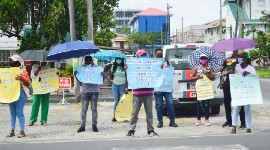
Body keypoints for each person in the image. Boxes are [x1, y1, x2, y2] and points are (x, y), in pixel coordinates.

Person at [126, 50, 159, 136]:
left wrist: (161, 67)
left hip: (148, 92)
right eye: (142, 55)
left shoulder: (151, 65)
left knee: (148, 113)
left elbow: (158, 71)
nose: (143, 57)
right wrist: (127, 67)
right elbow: (128, 72)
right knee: (135, 112)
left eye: (144, 55)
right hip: (138, 92)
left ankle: (150, 130)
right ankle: (131, 130)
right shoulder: (133, 65)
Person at [75, 56, 105, 133]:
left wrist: (103, 75)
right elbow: (79, 79)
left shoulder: (97, 68)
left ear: (91, 60)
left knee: (94, 109)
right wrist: (76, 75)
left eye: (88, 60)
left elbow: (101, 79)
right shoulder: (82, 68)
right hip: (85, 91)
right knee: (84, 109)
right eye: (86, 61)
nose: (87, 62)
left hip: (94, 91)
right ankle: (82, 126)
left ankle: (94, 126)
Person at [218, 51, 246, 128]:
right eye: (234, 50)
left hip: (238, 83)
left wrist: (229, 71)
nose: (235, 51)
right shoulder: (228, 60)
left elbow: (243, 69)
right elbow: (222, 68)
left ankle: (243, 122)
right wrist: (216, 71)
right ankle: (228, 121)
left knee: (239, 103)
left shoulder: (242, 59)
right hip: (227, 83)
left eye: (236, 50)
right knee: (227, 102)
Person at [4, 55, 30, 138]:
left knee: (19, 112)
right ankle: (12, 131)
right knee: (12, 113)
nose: (11, 62)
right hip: (11, 93)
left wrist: (21, 79)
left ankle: (22, 131)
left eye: (13, 61)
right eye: (10, 61)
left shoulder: (23, 71)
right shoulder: (9, 71)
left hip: (20, 94)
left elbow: (28, 84)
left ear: (18, 62)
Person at [231, 52, 256, 134]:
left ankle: (248, 127)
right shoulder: (236, 67)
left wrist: (248, 74)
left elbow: (254, 80)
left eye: (242, 58)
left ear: (246, 59)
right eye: (239, 57)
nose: (240, 59)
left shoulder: (251, 69)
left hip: (247, 92)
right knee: (236, 109)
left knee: (247, 109)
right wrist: (233, 66)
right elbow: (232, 76)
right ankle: (234, 127)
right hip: (238, 91)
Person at [154, 48, 178, 128]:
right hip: (158, 88)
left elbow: (170, 72)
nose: (159, 55)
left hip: (167, 88)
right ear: (155, 55)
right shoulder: (153, 63)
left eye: (161, 54)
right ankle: (160, 122)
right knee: (159, 105)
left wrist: (167, 65)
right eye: (158, 54)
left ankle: (172, 121)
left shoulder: (167, 62)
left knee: (170, 104)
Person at [191, 54, 215, 126]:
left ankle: (207, 119)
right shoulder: (196, 68)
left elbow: (213, 78)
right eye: (202, 58)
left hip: (207, 87)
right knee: (199, 104)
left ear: (207, 60)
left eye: (204, 58)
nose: (203, 59)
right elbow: (192, 77)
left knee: (207, 104)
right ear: (200, 59)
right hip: (200, 88)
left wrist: (207, 73)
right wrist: (197, 77)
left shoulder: (210, 68)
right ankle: (198, 119)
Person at [28, 62, 50, 126]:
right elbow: (32, 77)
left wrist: (56, 74)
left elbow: (52, 75)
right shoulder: (35, 66)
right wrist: (38, 70)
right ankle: (32, 120)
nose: (44, 61)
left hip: (46, 87)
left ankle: (44, 120)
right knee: (35, 104)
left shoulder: (48, 66)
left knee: (45, 104)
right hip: (37, 88)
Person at [109, 57, 128, 122]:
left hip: (123, 85)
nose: (118, 60)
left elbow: (127, 77)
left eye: (120, 59)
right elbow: (111, 77)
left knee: (123, 101)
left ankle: (124, 116)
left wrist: (126, 87)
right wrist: (110, 72)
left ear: (122, 60)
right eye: (117, 59)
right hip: (115, 85)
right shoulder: (113, 66)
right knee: (116, 101)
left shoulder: (125, 67)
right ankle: (115, 116)